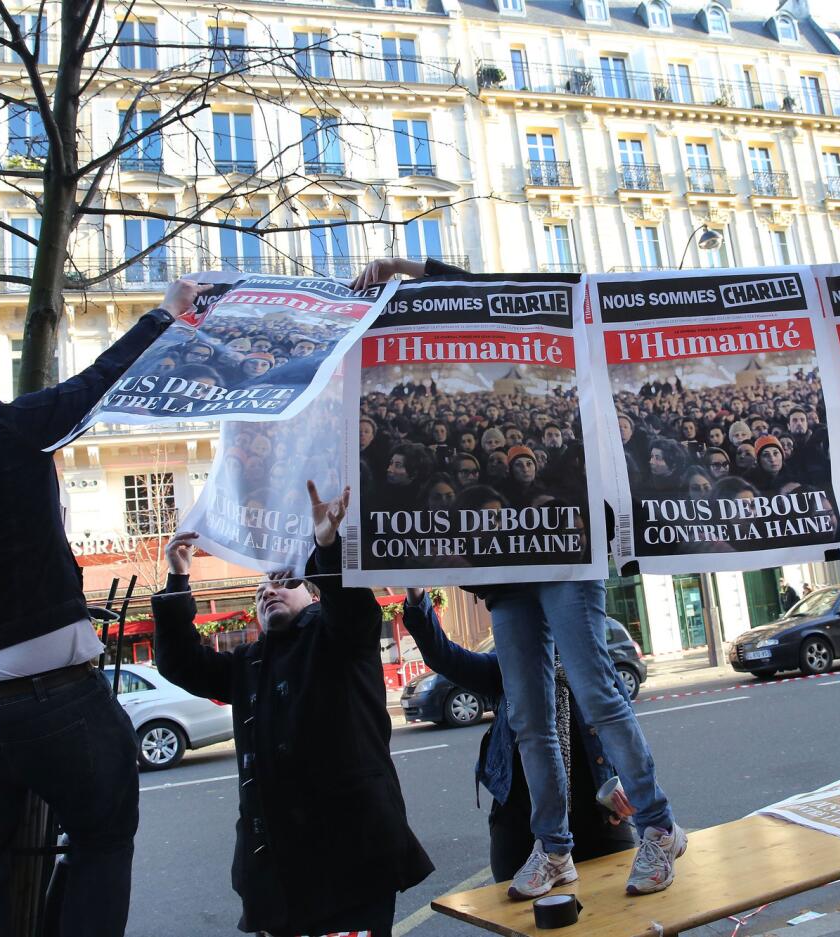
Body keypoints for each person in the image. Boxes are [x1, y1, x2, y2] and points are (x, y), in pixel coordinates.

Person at [0, 278, 211, 936]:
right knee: (103, 835)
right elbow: (95, 385)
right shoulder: (0, 429)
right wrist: (166, 314)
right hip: (46, 700)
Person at [354, 256, 686, 900]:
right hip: (509, 582)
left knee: (595, 692)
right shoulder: (477, 449)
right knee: (530, 719)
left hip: (564, 558)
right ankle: (555, 849)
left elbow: (486, 286)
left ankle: (658, 825)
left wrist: (412, 267)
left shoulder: (565, 405)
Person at [153, 482, 432, 937]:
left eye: (287, 582)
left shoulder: (338, 639)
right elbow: (180, 661)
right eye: (263, 587)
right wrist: (178, 578)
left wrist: (327, 546)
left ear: (314, 594)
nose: (271, 590)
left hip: (351, 866)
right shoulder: (248, 663)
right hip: (276, 878)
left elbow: (354, 613)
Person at [399, 590, 637, 882]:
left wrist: (627, 785)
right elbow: (443, 655)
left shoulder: (594, 667)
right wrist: (416, 599)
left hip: (600, 819)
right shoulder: (509, 667)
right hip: (523, 827)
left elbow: (626, 734)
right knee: (522, 922)